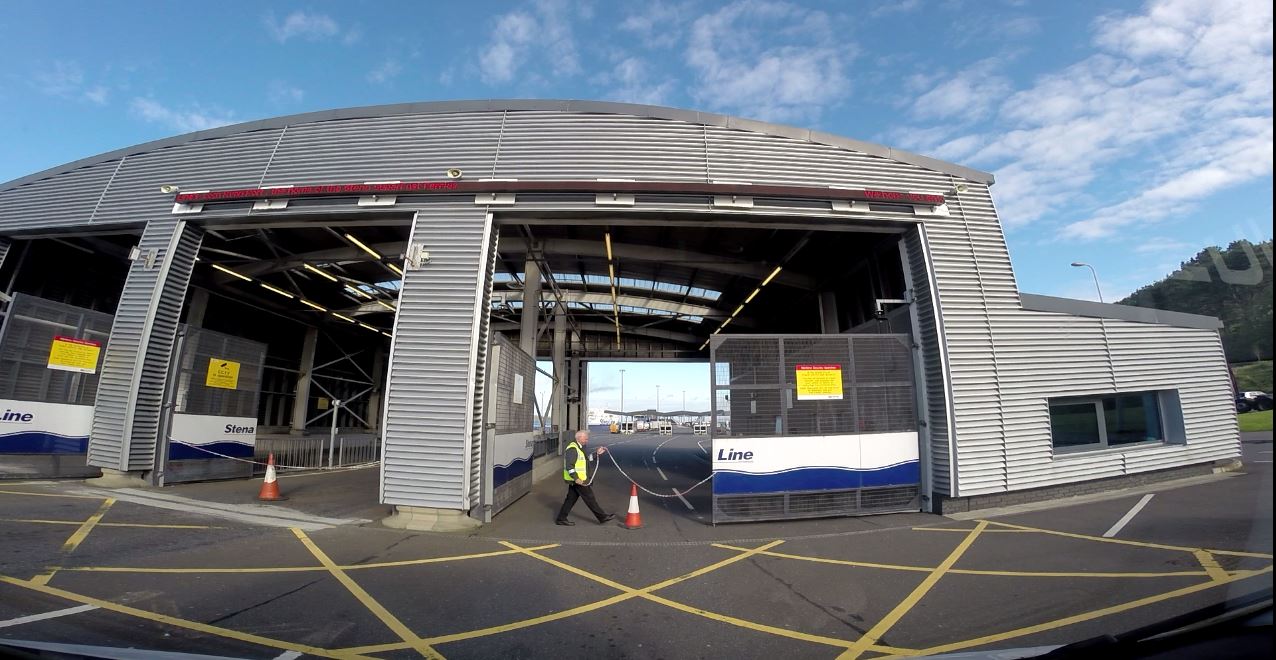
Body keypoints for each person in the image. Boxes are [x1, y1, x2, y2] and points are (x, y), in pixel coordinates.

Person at [555, 430, 616, 526]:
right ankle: (602, 517)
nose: (587, 440)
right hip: (579, 480)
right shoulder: (572, 449)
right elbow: (569, 466)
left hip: (579, 480)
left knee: (570, 499)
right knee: (590, 498)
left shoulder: (579, 448)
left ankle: (561, 519)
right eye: (585, 438)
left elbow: (586, 460)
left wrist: (597, 453)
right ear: (578, 438)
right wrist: (576, 478)